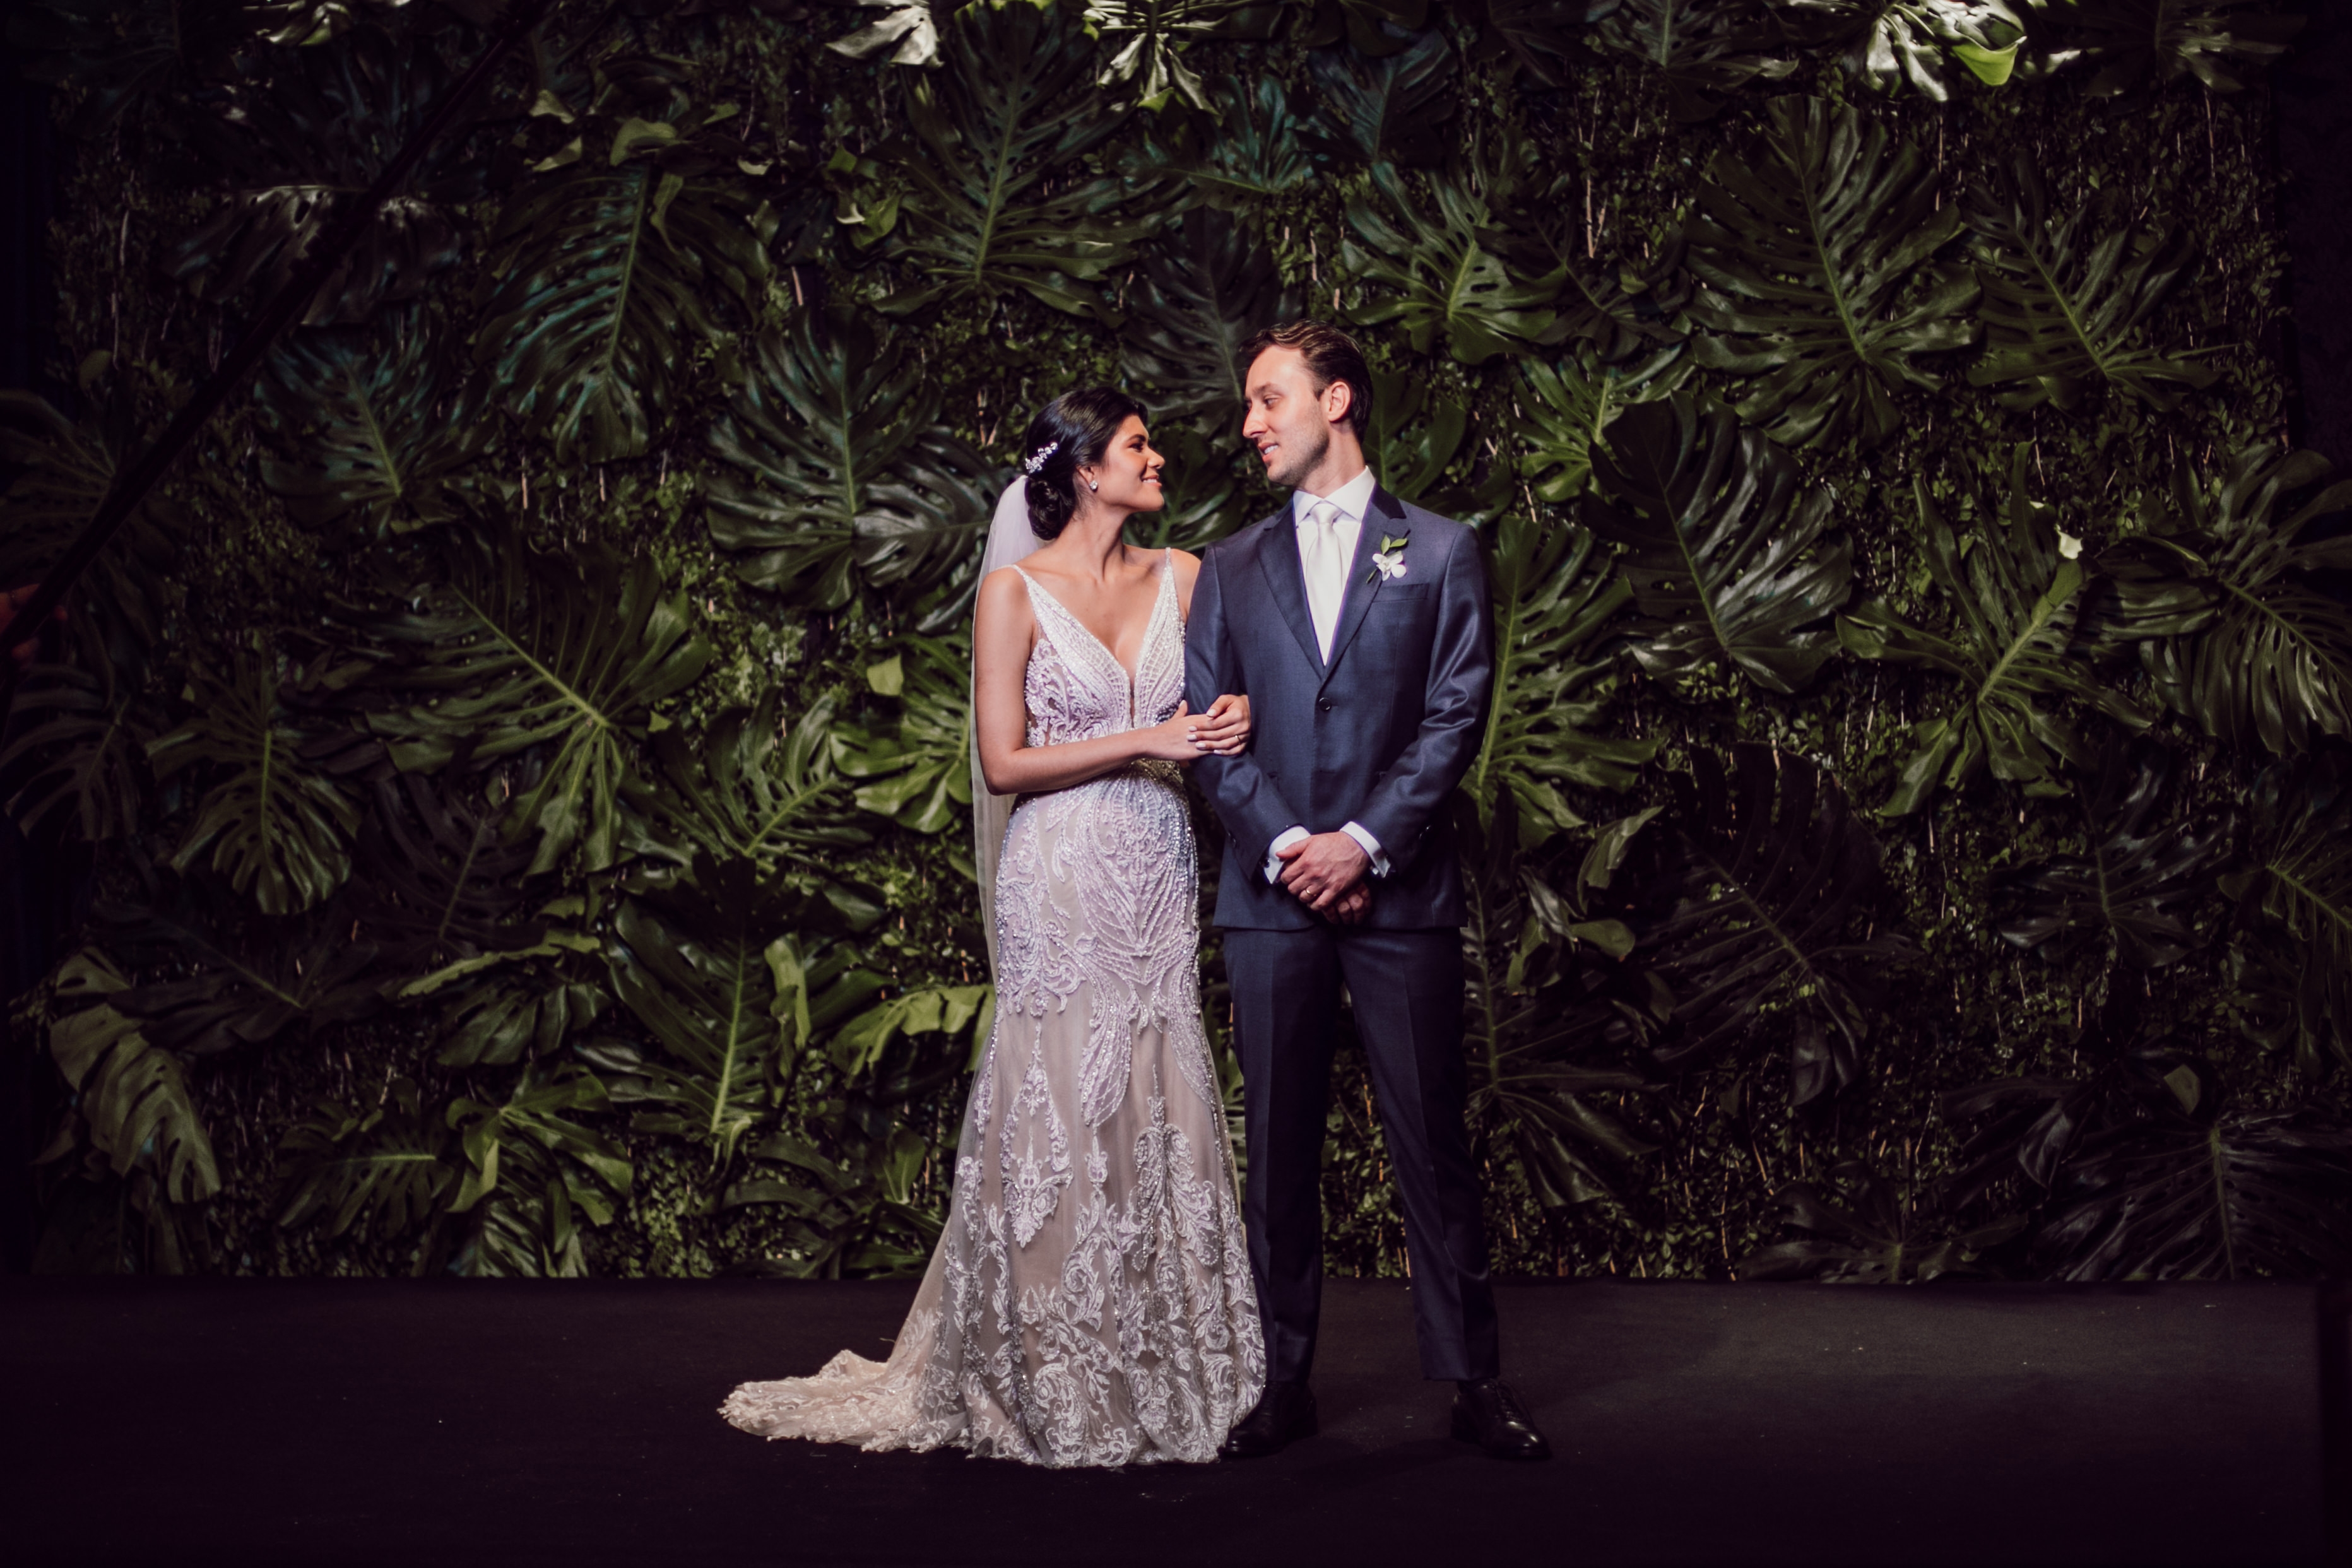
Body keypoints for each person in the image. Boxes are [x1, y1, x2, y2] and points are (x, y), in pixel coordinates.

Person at [720, 387, 1267, 1467]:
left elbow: (1223, 713)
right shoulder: (1013, 592)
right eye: (1138, 445)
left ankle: (1160, 1358)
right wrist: (1146, 738)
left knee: (1155, 1084)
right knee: (1059, 1098)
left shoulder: (1189, 576)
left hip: (1156, 867)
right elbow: (1005, 761)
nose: (1158, 457)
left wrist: (1233, 718)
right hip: (1058, 874)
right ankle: (1049, 1365)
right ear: (1085, 470)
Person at [1185, 321, 1551, 1462]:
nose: (1251, 422)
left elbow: (1455, 715)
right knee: (1278, 1149)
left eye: (1269, 398)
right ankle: (1280, 1380)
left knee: (1433, 1143)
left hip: (1401, 896)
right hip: (1270, 899)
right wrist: (1297, 844)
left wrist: (1363, 843)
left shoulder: (1438, 550)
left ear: (1335, 400)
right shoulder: (1227, 566)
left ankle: (1474, 1380)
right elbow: (1209, 736)